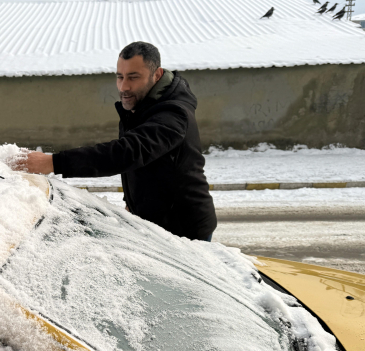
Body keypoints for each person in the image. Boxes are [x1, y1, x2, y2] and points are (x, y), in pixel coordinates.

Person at [14, 41, 216, 242]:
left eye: (133, 77)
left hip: (184, 230)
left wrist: (54, 162)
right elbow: (143, 165)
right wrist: (133, 203)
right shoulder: (140, 107)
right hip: (154, 224)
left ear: (157, 74)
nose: (123, 86)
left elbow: (127, 152)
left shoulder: (173, 114)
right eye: (120, 77)